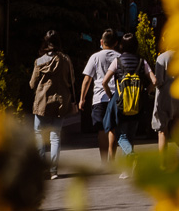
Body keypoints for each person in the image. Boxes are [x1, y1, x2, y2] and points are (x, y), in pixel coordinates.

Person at [101, 32, 156, 163]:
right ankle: (127, 169)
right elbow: (154, 81)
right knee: (131, 135)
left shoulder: (118, 61)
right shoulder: (142, 61)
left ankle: (131, 155)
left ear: (121, 46)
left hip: (121, 103)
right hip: (137, 103)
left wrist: (111, 96)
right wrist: (145, 92)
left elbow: (104, 82)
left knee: (121, 135)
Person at [28, 31, 76, 179]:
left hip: (42, 102)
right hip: (61, 101)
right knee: (55, 136)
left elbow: (32, 84)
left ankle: (42, 169)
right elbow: (72, 80)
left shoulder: (39, 61)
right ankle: (53, 171)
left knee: (39, 134)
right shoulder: (66, 60)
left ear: (45, 42)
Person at [79, 29, 120, 163]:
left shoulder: (95, 57)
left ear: (101, 42)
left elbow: (87, 79)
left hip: (99, 98)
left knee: (101, 130)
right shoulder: (119, 57)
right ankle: (112, 159)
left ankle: (104, 162)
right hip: (115, 97)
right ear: (116, 43)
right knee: (112, 129)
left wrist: (82, 98)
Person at [152, 49, 179, 161]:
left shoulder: (162, 58)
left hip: (164, 97)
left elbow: (159, 80)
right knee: (176, 131)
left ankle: (163, 162)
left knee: (162, 131)